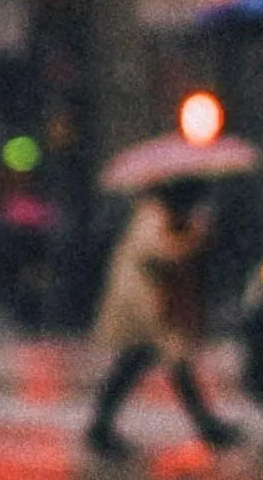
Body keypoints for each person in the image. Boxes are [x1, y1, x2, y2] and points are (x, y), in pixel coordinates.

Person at [86, 188, 242, 455]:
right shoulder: (151, 216)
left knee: (153, 363)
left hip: (156, 303)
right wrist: (195, 236)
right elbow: (162, 251)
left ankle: (102, 427)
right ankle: (101, 429)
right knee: (154, 362)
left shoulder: (162, 215)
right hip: (144, 302)